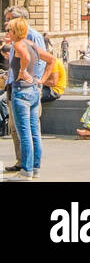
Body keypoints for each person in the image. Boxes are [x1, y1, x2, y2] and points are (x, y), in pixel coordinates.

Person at [6, 18, 55, 180]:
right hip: (34, 91)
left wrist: (21, 71)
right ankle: (35, 168)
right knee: (35, 133)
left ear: (15, 31)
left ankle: (25, 171)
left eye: (9, 30)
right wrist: (40, 80)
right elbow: (52, 60)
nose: (7, 33)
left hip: (21, 92)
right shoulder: (32, 43)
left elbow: (25, 57)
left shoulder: (18, 44)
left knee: (24, 134)